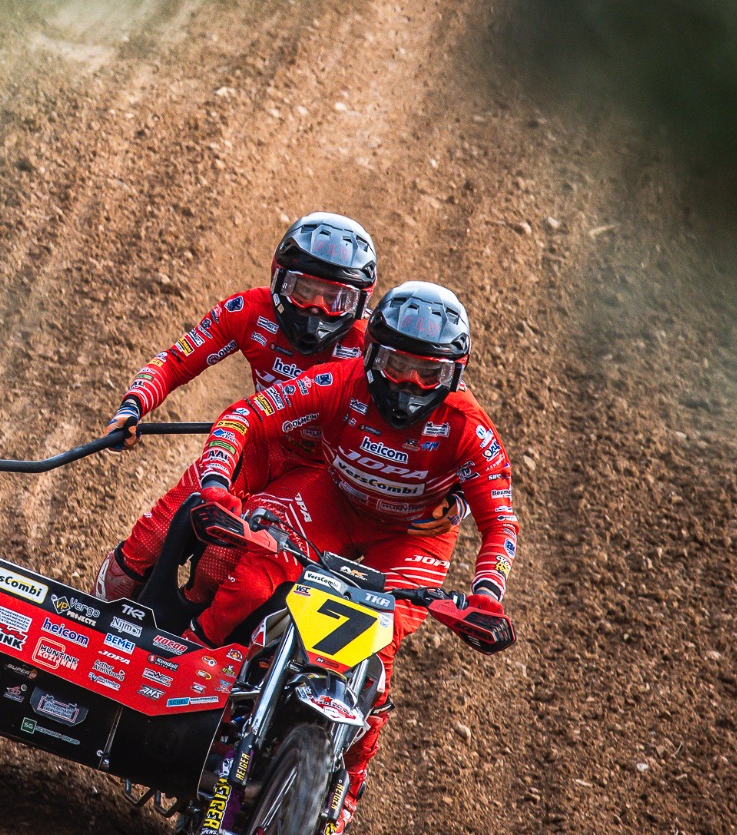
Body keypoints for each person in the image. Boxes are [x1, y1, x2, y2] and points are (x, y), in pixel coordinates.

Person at [181, 281, 519, 834]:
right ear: (370, 353)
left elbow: (500, 523)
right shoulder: (340, 381)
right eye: (395, 365)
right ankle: (179, 672)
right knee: (251, 579)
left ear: (454, 375)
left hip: (410, 540)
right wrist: (217, 482)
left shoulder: (470, 429)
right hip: (333, 503)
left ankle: (346, 794)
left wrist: (486, 596)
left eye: (428, 374)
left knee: (375, 660)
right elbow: (247, 414)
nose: (408, 384)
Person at [93, 212, 462, 601]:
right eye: (303, 291)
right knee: (151, 538)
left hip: (319, 472)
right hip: (255, 441)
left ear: (360, 303)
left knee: (220, 562)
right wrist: (132, 406)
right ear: (279, 280)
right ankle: (100, 607)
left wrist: (456, 499)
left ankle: (191, 623)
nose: (316, 310)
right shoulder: (248, 310)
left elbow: (444, 418)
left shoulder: (378, 350)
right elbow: (175, 360)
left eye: (335, 299)